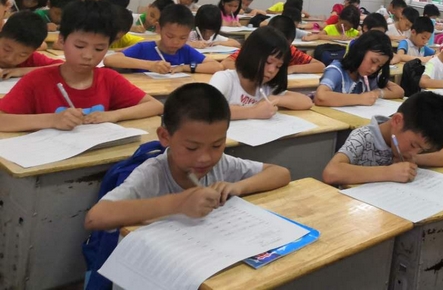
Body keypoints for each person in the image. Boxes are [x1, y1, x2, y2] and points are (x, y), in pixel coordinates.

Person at [83, 83, 290, 230]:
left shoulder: (222, 164)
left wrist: (238, 187)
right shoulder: (153, 173)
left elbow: (280, 173)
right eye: (192, 148)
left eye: (217, 145)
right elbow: (95, 218)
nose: (205, 158)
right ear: (165, 137)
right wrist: (179, 203)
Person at [0, 1, 162, 132]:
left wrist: (113, 115)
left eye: (99, 49)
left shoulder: (108, 79)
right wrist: (52, 120)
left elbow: (155, 105)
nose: (88, 55)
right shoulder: (36, 81)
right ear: (62, 40)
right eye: (79, 46)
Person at [322, 91, 443, 185]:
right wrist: (388, 172)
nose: (414, 152)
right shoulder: (363, 137)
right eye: (413, 145)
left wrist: (415, 159)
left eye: (421, 150)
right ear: (397, 121)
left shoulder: (416, 143)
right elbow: (331, 172)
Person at [209, 27, 312, 119]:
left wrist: (275, 99)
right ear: (252, 55)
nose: (272, 70)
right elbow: (208, 109)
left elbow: (306, 102)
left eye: (278, 66)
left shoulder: (266, 87)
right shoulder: (225, 79)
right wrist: (254, 112)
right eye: (268, 62)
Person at [105, 4, 222, 74]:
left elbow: (217, 66)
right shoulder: (145, 48)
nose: (176, 42)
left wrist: (183, 67)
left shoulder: (185, 50)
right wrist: (150, 65)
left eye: (183, 37)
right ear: (159, 29)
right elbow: (110, 60)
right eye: (170, 36)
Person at [313, 30, 404, 106]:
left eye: (379, 66)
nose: (374, 69)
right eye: (373, 61)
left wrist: (377, 93)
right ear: (360, 51)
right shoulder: (336, 71)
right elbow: (320, 97)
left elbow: (399, 91)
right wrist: (360, 98)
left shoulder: (369, 76)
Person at [223, 15, 324, 74]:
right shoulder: (256, 47)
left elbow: (320, 66)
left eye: (285, 45)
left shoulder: (290, 51)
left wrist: (292, 69)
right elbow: (226, 63)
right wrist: (257, 70)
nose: (280, 49)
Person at [0, 11, 61, 78]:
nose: (10, 59)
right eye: (6, 50)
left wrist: (21, 71)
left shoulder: (31, 59)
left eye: (22, 55)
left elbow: (62, 66)